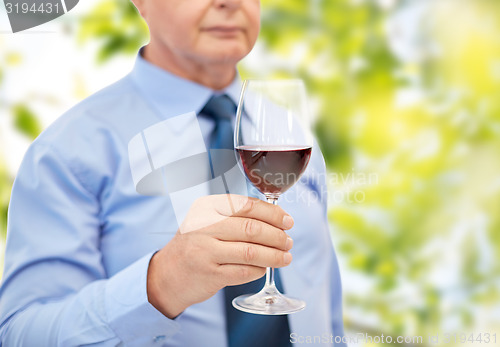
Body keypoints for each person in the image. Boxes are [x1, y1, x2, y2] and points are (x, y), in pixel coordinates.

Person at [0, 0, 346, 345]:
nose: (228, 2)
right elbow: (19, 333)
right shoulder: (69, 150)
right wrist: (160, 284)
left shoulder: (294, 139)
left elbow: (327, 316)